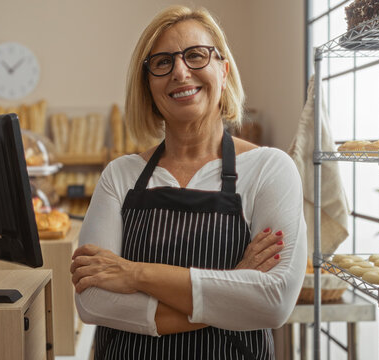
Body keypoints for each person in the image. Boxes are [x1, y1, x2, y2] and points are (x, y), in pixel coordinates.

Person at [70, 5, 306, 359]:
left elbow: (273, 302)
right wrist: (231, 287)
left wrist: (135, 274)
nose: (180, 72)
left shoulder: (270, 169)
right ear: (148, 85)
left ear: (223, 71)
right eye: (163, 62)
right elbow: (93, 301)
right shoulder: (121, 175)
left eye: (196, 56)